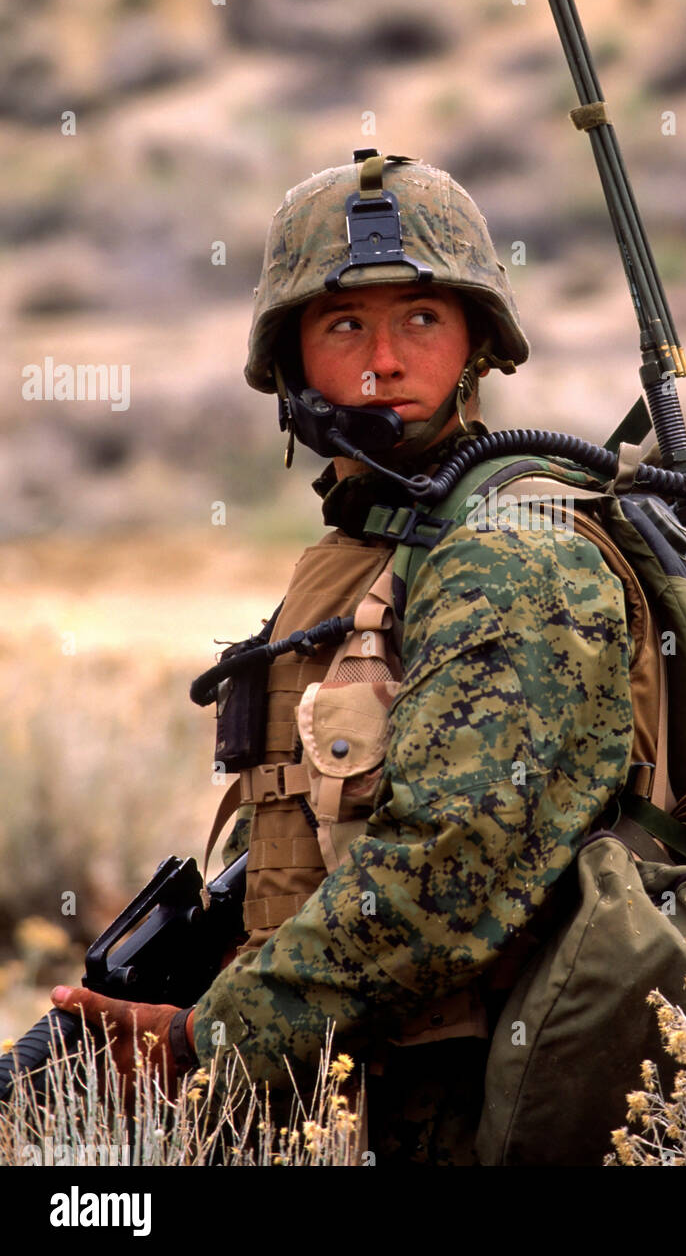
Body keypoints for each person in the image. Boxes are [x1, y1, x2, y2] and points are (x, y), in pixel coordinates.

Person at [52, 150, 638, 1164]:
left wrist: (205, 1044)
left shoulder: (507, 553)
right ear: (290, 362)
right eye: (343, 326)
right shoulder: (372, 547)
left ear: (476, 344)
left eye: (422, 318)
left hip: (476, 1114)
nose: (384, 361)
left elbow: (445, 872)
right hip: (360, 1098)